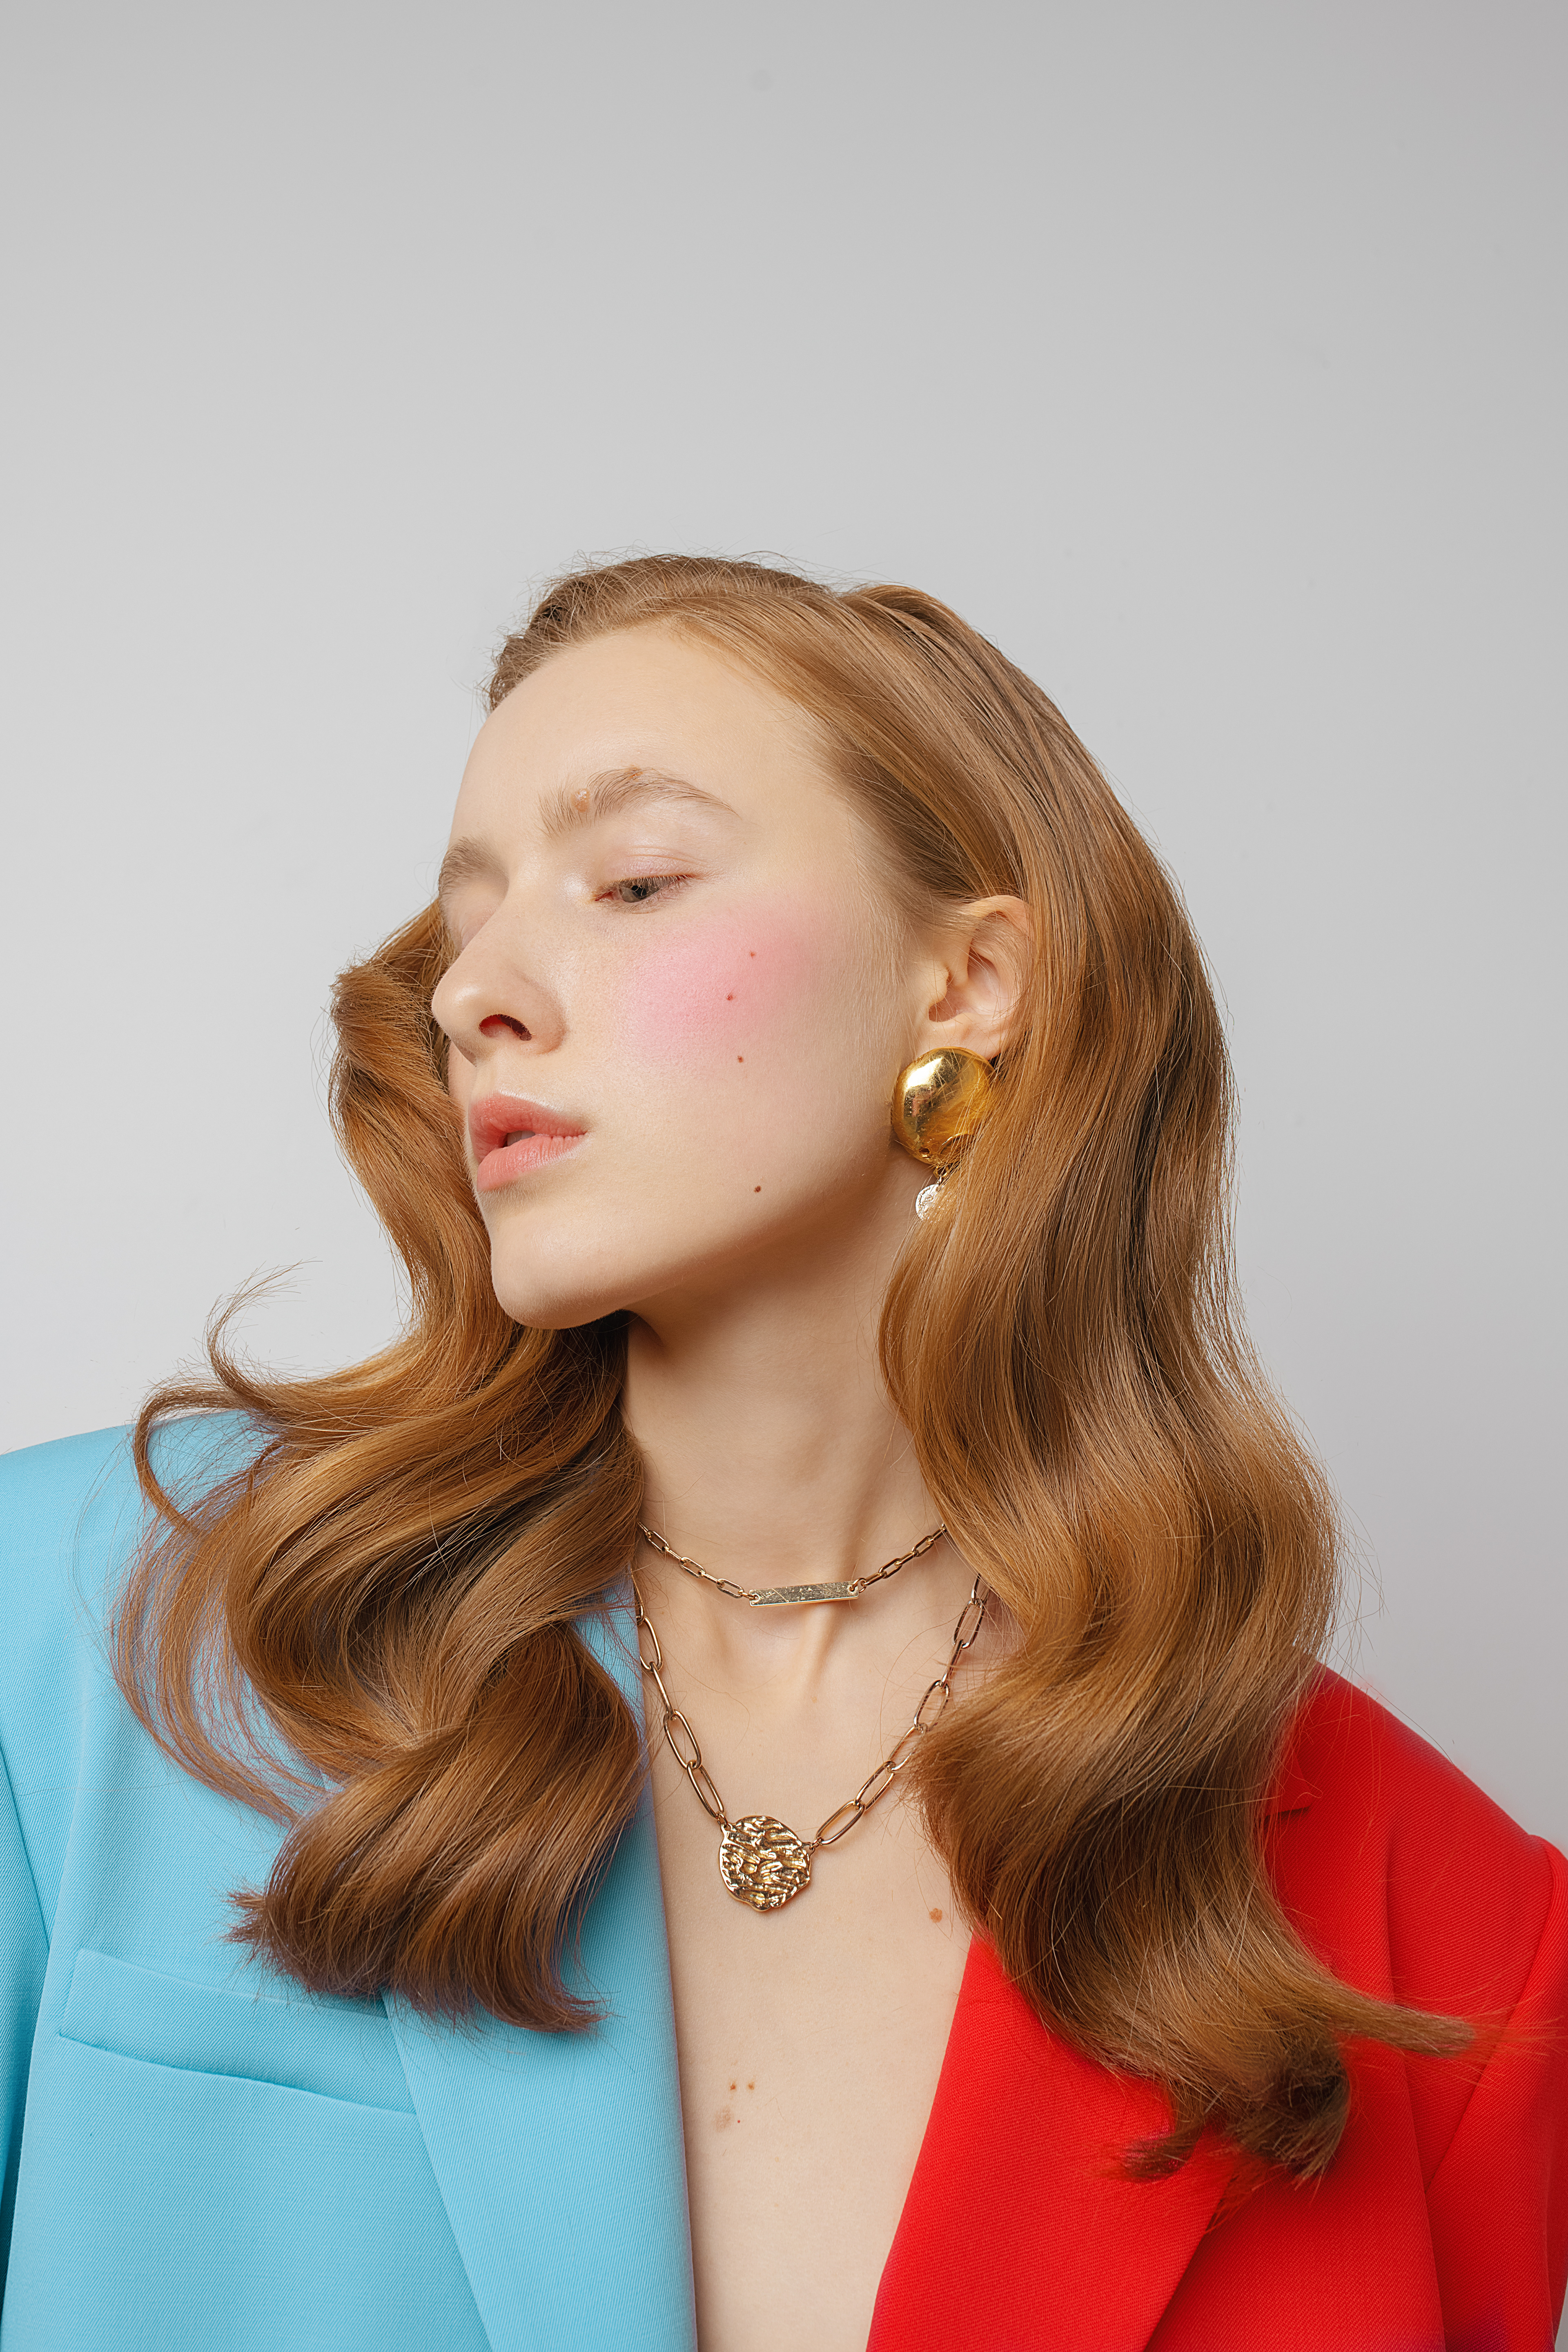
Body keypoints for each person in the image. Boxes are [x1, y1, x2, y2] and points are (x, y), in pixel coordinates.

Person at [1, 554, 1564, 2352]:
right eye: (467, 919)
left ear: (969, 985)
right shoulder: (81, 1641)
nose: (471, 993)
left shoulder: (1456, 1939)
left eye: (636, 879)